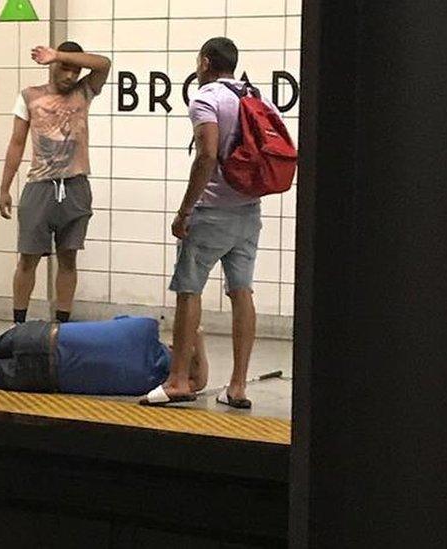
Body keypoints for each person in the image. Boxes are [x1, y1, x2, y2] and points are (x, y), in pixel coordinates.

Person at [149, 38, 281, 408]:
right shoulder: (256, 96)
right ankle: (237, 386)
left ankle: (177, 380)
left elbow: (206, 154)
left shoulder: (207, 98)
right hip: (249, 210)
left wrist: (184, 211)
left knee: (189, 291)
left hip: (210, 213)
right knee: (242, 291)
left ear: (206, 62)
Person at [0, 42, 112, 325]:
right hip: (40, 184)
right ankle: (19, 323)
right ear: (51, 67)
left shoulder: (84, 91)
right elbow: (16, 142)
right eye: (64, 69)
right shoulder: (30, 96)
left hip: (75, 184)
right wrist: (4, 187)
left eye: (76, 70)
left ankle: (62, 322)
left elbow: (104, 63)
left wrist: (60, 55)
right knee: (28, 258)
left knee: (68, 257)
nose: (70, 75)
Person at [0, 316, 209, 401]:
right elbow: (200, 382)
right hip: (44, 374)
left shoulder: (144, 327)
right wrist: (201, 344)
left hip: (41, 334)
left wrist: (194, 333)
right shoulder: (148, 383)